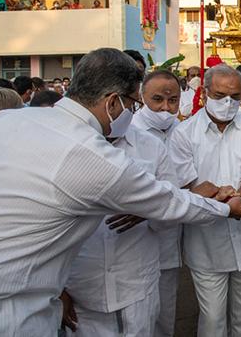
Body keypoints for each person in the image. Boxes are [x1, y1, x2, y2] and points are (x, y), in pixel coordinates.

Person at [0, 48, 241, 335]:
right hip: (11, 310)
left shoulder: (1, 122)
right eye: (133, 105)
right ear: (113, 102)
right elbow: (167, 202)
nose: (133, 113)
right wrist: (227, 208)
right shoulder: (89, 151)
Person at [169, 64, 241, 337]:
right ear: (203, 95)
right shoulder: (184, 133)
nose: (228, 103)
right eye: (220, 95)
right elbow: (191, 187)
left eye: (235, 97)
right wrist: (225, 206)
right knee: (212, 321)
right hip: (206, 245)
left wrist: (235, 199)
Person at [62, 114, 176, 336]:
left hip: (136, 283)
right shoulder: (66, 144)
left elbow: (173, 207)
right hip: (82, 288)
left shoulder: (150, 146)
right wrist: (58, 289)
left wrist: (149, 209)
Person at [132, 69, 185, 337]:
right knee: (140, 318)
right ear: (142, 97)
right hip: (138, 240)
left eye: (173, 100)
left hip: (174, 239)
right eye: (157, 100)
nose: (166, 107)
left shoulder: (184, 131)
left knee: (167, 314)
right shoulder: (129, 132)